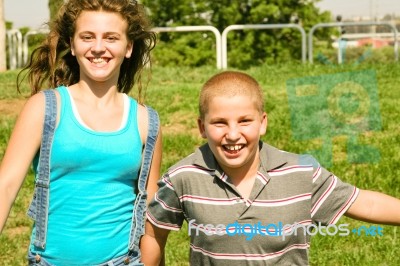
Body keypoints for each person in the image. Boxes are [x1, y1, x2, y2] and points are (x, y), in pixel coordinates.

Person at [141, 70, 400, 265]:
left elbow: (365, 203)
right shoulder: (183, 177)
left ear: (263, 122)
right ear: (201, 127)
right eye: (220, 123)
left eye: (245, 121)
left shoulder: (300, 173)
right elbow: (153, 235)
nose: (233, 134)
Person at [0, 0, 162, 265]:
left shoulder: (146, 121)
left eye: (111, 37)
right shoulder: (44, 108)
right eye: (87, 37)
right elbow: (4, 187)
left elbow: (152, 215)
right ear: (73, 45)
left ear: (128, 47)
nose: (98, 47)